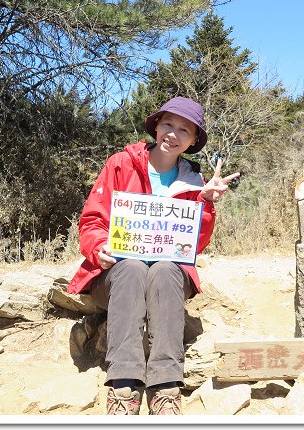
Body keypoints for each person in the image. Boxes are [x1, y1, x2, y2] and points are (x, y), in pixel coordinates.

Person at [66, 96, 238, 416]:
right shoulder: (121, 163)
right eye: (168, 124)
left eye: (184, 130)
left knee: (164, 268)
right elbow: (92, 221)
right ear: (156, 126)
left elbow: (195, 244)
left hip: (167, 277)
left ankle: (165, 388)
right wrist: (99, 246)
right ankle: (124, 387)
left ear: (193, 140)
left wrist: (207, 203)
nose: (173, 133)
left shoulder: (193, 180)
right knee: (131, 267)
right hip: (116, 275)